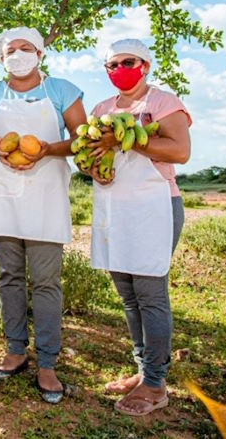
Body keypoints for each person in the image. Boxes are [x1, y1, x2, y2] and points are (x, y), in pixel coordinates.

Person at [0, 26, 87, 404]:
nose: (17, 54)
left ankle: (48, 362)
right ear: (0, 58)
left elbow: (82, 139)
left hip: (46, 196)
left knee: (46, 281)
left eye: (25, 48)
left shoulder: (61, 91)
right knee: (9, 277)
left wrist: (48, 149)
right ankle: (15, 350)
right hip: (3, 196)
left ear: (39, 53)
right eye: (10, 50)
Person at [87, 38, 191, 416]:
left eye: (126, 62)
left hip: (155, 205)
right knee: (129, 296)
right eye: (111, 65)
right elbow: (90, 154)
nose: (118, 70)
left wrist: (128, 141)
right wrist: (93, 165)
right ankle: (143, 369)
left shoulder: (163, 103)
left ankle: (155, 383)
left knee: (150, 294)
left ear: (144, 65)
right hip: (115, 207)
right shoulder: (102, 109)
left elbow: (179, 150)